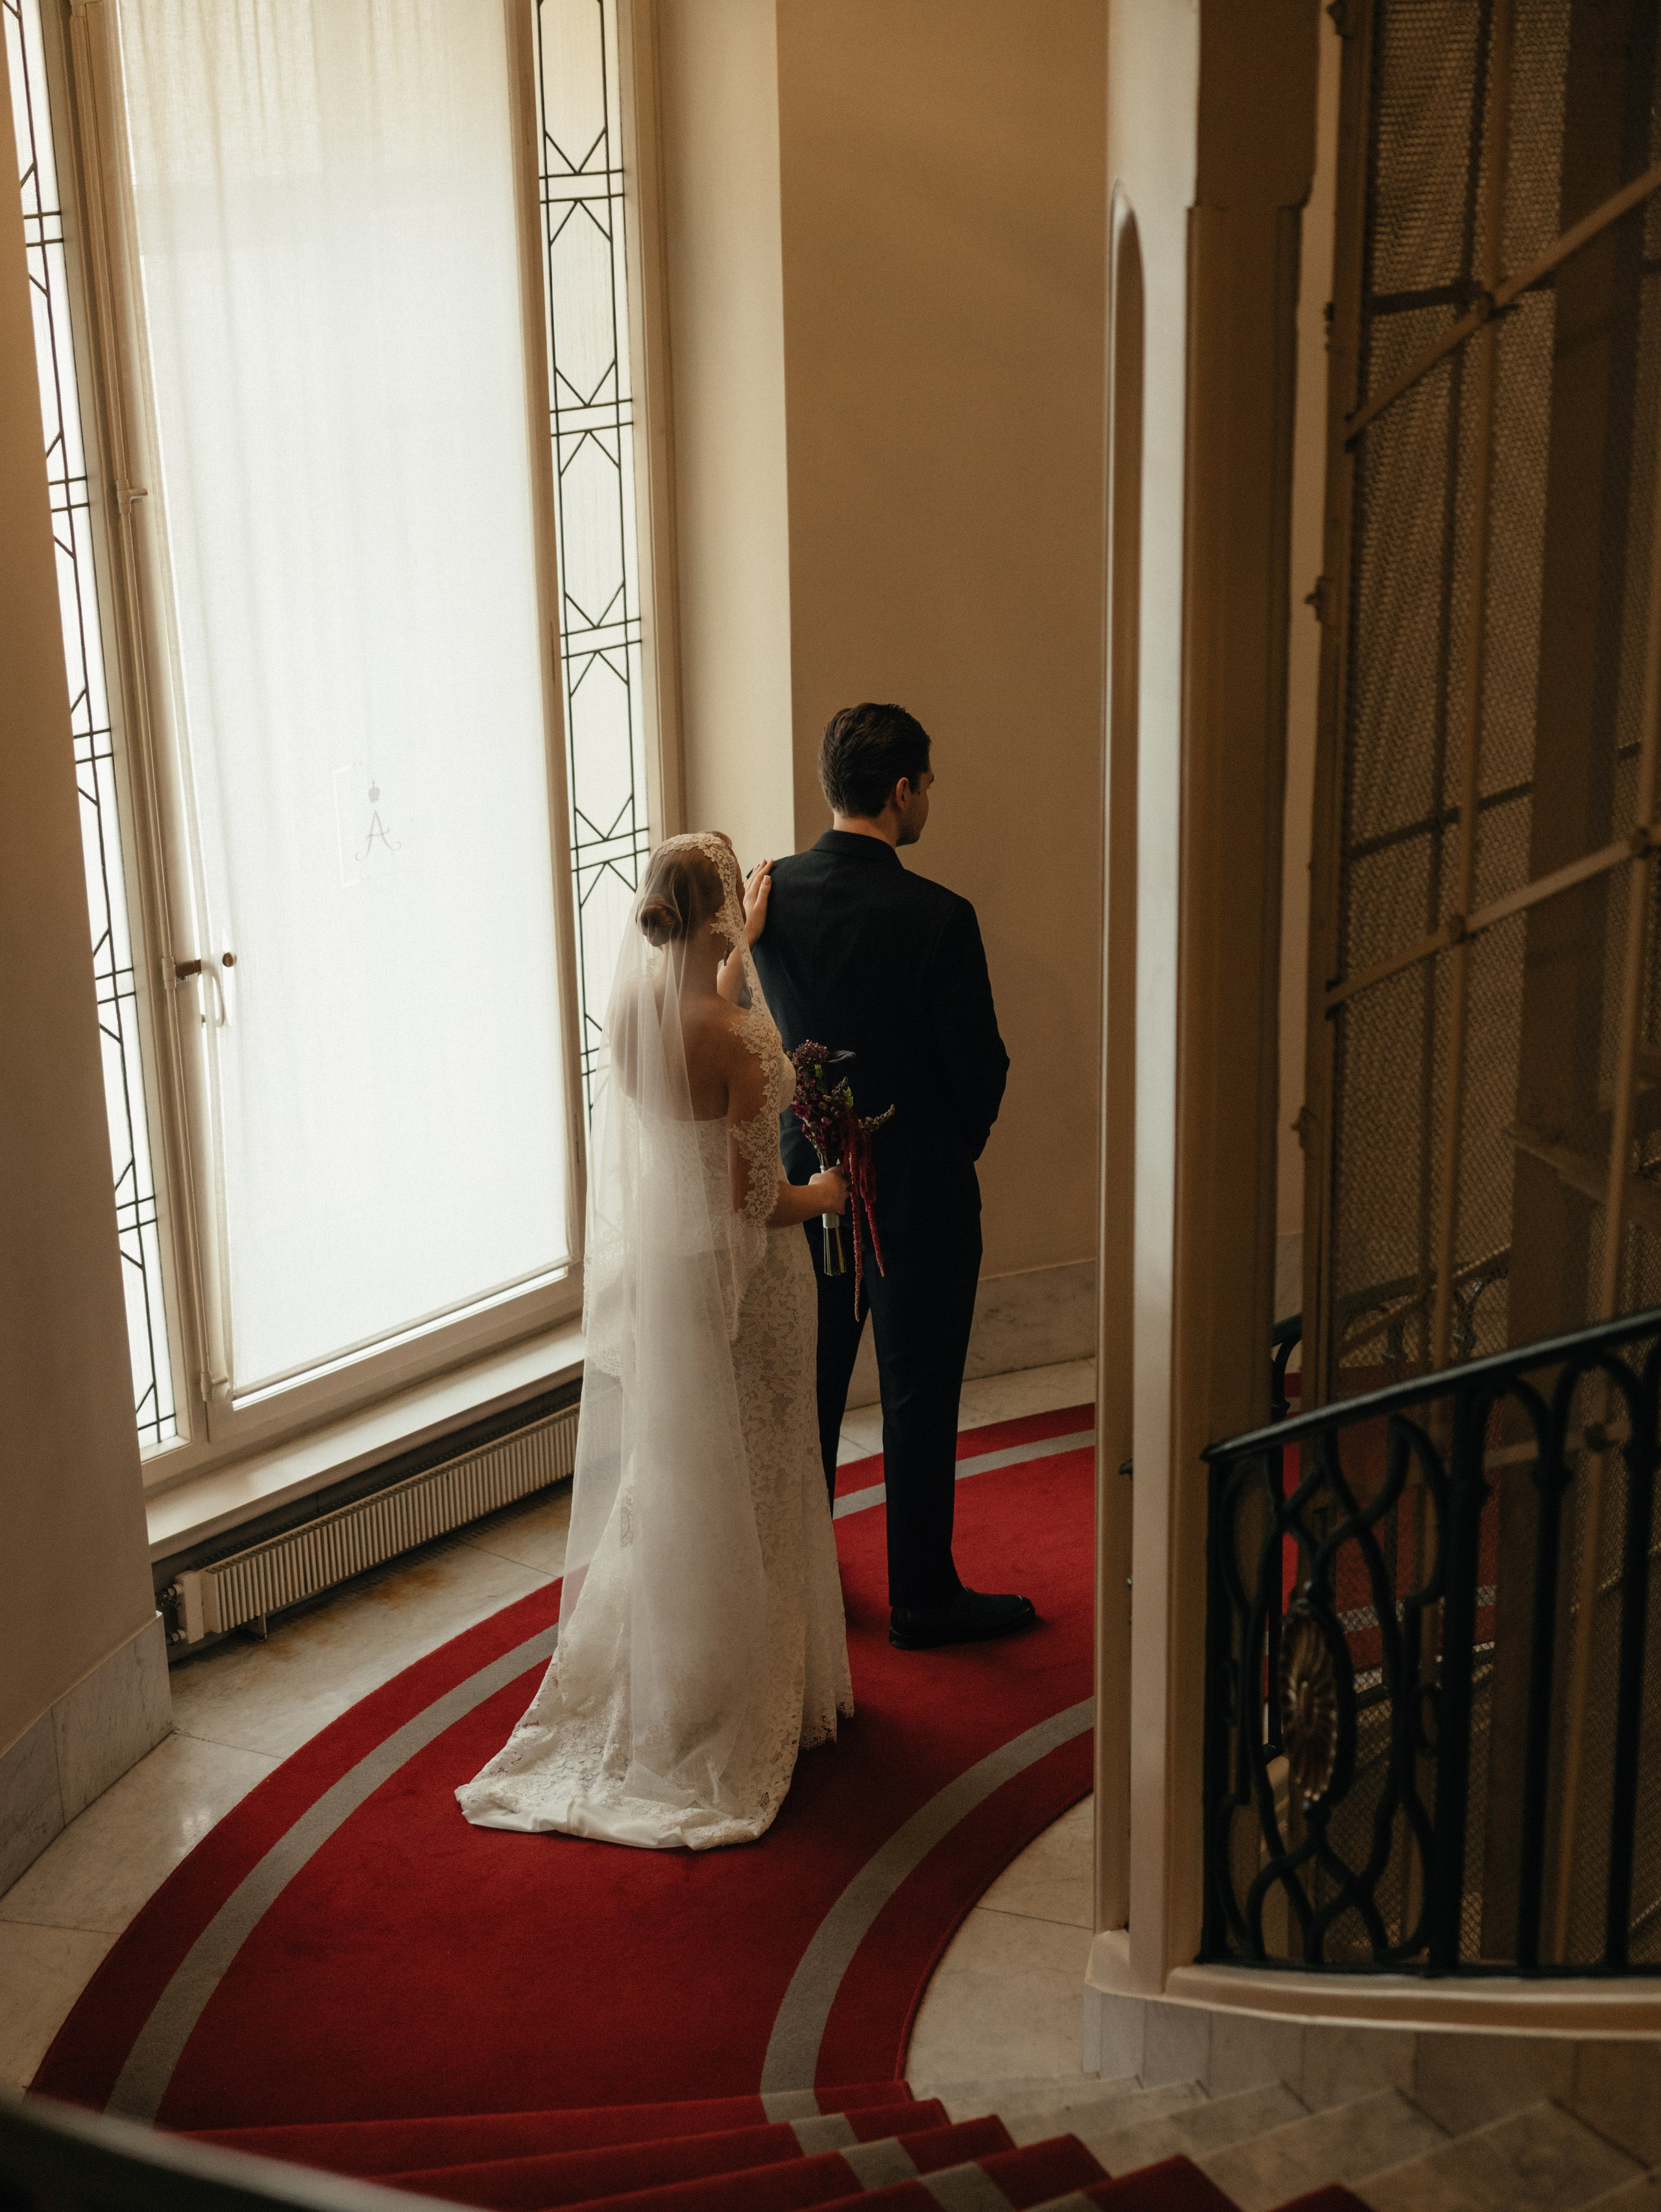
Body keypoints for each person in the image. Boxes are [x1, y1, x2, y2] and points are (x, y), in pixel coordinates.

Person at [457, 834, 853, 1849]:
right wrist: (831, 1191)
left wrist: (737, 947)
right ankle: (756, 1690)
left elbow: (691, 1059)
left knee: (683, 1478)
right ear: (719, 908)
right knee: (764, 1473)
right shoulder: (744, 1040)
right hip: (751, 1287)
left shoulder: (633, 1009)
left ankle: (679, 1666)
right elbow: (756, 1200)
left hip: (670, 1284)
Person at [749, 703, 1035, 1651]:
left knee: (812, 1384)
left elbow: (764, 1030)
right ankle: (921, 1592)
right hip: (920, 1189)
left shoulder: (769, 898)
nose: (929, 798)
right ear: (903, 788)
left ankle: (797, 1581)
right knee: (918, 1389)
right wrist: (940, 1152)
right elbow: (979, 1069)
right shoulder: (940, 918)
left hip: (805, 1182)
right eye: (928, 782)